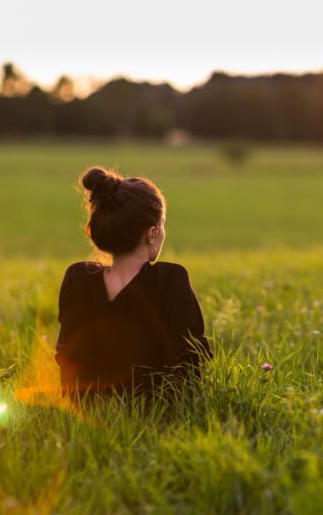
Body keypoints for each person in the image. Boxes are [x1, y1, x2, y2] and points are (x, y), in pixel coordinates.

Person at [55, 166, 211, 402]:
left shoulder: (77, 279)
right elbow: (189, 361)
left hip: (86, 410)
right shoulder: (171, 280)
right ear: (152, 233)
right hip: (161, 413)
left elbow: (66, 356)